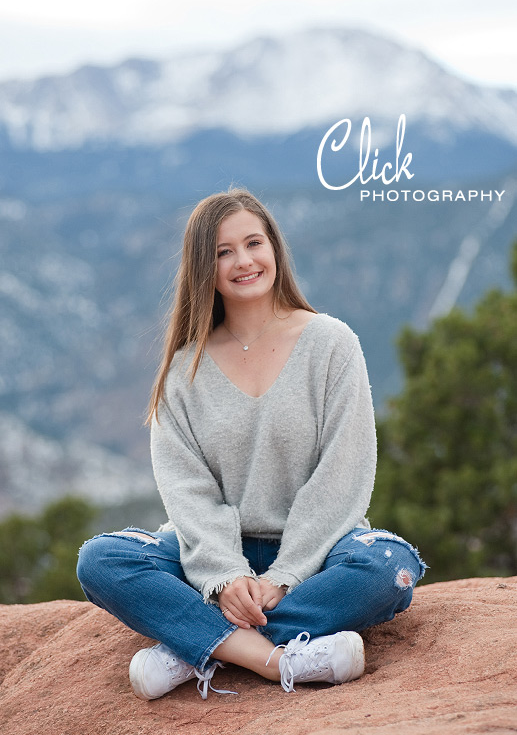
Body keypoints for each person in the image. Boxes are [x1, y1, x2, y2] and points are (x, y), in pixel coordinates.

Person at [76, 187, 427, 701]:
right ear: (205, 268)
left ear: (275, 249)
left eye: (253, 243)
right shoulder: (183, 371)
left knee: (388, 568)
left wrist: (286, 574)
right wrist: (223, 576)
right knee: (100, 560)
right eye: (223, 252)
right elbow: (188, 491)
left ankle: (195, 646)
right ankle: (271, 659)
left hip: (318, 551)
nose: (244, 261)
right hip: (214, 553)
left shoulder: (332, 344)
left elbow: (343, 472)